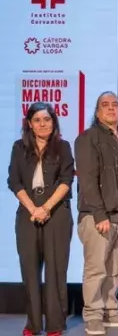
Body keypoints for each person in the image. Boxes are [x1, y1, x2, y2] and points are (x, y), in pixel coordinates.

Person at [8, 102, 75, 336]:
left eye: (47, 119)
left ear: (53, 122)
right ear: (29, 123)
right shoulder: (19, 147)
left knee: (56, 270)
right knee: (29, 270)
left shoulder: (63, 147)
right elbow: (14, 181)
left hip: (56, 213)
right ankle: (33, 324)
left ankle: (55, 324)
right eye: (37, 120)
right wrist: (33, 209)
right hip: (27, 213)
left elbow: (66, 180)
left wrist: (45, 208)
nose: (42, 124)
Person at [75, 91, 118, 335]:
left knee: (115, 270)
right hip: (97, 216)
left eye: (115, 104)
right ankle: (92, 315)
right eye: (105, 105)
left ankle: (110, 311)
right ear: (97, 111)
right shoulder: (88, 138)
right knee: (96, 269)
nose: (111, 108)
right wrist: (99, 214)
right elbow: (87, 180)